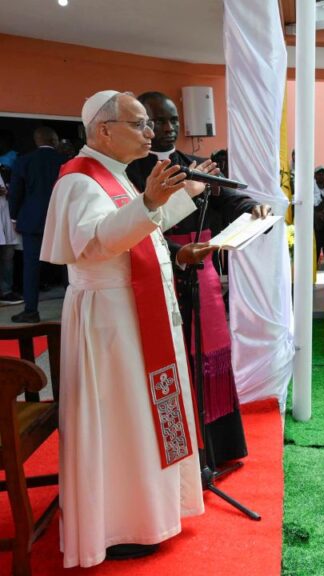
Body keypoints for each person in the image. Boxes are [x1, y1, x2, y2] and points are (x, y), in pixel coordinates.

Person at [40, 89, 219, 567]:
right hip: (109, 319)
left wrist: (182, 197)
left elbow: (141, 229)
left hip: (135, 311)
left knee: (141, 417)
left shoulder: (111, 175)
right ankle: (117, 524)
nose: (149, 132)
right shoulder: (78, 181)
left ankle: (150, 512)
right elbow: (97, 243)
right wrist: (151, 201)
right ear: (103, 130)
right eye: (138, 124)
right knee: (119, 421)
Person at [126, 91, 266, 465]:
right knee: (172, 360)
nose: (168, 128)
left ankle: (217, 448)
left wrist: (253, 209)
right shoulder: (130, 173)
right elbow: (134, 228)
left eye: (173, 119)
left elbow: (225, 198)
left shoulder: (192, 164)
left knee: (206, 354)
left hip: (200, 272)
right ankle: (182, 453)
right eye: (157, 121)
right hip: (157, 270)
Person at [8, 126, 65, 319]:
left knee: (31, 267)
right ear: (55, 141)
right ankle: (74, 309)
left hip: (32, 220)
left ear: (36, 141)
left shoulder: (23, 161)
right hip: (61, 219)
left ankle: (31, 310)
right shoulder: (65, 161)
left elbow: (15, 193)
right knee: (67, 264)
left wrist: (14, 217)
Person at [0, 167, 20, 307]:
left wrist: (8, 192)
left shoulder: (5, 170)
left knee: (8, 256)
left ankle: (6, 291)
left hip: (6, 218)